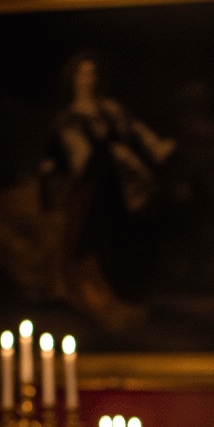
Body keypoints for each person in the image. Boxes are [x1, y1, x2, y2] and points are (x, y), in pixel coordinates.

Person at [39, 52, 177, 331]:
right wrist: (50, 170)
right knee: (91, 239)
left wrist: (155, 147)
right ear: (73, 78)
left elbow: (136, 130)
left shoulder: (110, 109)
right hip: (89, 189)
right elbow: (58, 158)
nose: (89, 79)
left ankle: (125, 293)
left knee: (120, 237)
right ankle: (98, 299)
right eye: (83, 73)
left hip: (117, 186)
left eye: (93, 73)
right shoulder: (67, 119)